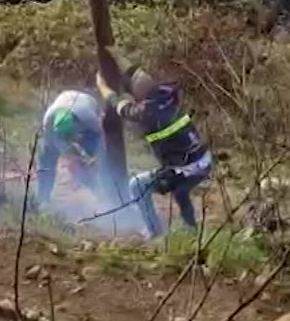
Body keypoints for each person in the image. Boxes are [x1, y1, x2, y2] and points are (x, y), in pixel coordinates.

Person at [114, 67, 213, 237]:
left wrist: (114, 99)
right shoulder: (169, 93)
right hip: (204, 160)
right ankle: (191, 229)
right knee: (179, 192)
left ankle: (155, 232)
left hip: (185, 169)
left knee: (137, 185)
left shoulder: (148, 110)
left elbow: (128, 111)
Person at [35, 88, 106, 213]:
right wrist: (70, 157)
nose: (69, 140)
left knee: (87, 163)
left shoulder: (88, 118)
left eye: (70, 136)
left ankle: (101, 198)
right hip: (64, 101)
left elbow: (101, 136)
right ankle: (43, 199)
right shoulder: (49, 121)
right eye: (65, 137)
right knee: (46, 159)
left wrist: (95, 156)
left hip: (87, 104)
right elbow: (56, 145)